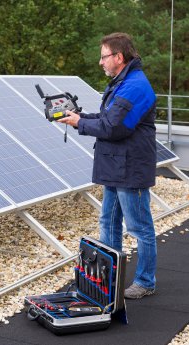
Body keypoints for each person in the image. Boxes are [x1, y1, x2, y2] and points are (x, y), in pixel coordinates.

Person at [58, 32, 157, 299]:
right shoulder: (122, 82)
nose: (100, 62)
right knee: (109, 224)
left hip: (130, 169)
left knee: (140, 227)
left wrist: (79, 123)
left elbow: (114, 128)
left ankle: (146, 281)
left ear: (118, 57)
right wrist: (79, 116)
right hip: (116, 167)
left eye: (103, 57)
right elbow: (106, 117)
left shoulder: (135, 86)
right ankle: (110, 279)